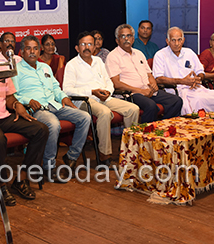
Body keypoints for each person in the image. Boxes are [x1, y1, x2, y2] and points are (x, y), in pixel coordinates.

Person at [0, 33, 48, 207]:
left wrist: (16, 105)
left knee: (40, 129)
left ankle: (20, 179)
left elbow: (9, 97)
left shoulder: (2, 67)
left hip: (4, 116)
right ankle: (1, 185)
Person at [13, 35, 91, 183]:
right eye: (28, 48)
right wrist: (28, 100)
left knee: (84, 117)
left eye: (35, 48)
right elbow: (14, 93)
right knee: (53, 124)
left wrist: (63, 97)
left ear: (39, 50)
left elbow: (55, 87)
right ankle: (49, 167)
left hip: (53, 104)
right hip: (36, 108)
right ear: (22, 52)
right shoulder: (17, 70)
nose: (32, 52)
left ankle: (71, 156)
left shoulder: (45, 67)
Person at [64, 31, 139, 166]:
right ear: (77, 48)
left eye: (90, 44)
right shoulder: (72, 64)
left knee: (133, 109)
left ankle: (131, 151)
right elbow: (67, 90)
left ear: (94, 47)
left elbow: (108, 81)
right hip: (84, 100)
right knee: (104, 113)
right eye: (83, 44)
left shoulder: (98, 61)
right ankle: (105, 155)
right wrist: (92, 91)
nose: (87, 47)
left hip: (104, 97)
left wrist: (108, 92)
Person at [105, 24, 182, 124]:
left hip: (148, 90)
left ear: (133, 39)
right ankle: (144, 135)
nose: (126, 39)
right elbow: (116, 83)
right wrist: (140, 91)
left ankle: (163, 127)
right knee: (151, 106)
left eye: (129, 36)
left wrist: (153, 84)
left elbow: (149, 74)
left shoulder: (139, 53)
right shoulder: (113, 56)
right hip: (130, 94)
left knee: (176, 101)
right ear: (117, 40)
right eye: (123, 36)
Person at [152, 27, 214, 115]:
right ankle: (195, 125)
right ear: (167, 41)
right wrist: (182, 81)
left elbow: (200, 71)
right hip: (175, 90)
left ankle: (207, 123)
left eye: (179, 40)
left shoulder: (189, 52)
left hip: (194, 87)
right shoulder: (160, 55)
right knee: (197, 101)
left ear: (183, 40)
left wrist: (197, 78)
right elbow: (158, 79)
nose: (177, 43)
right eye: (173, 40)